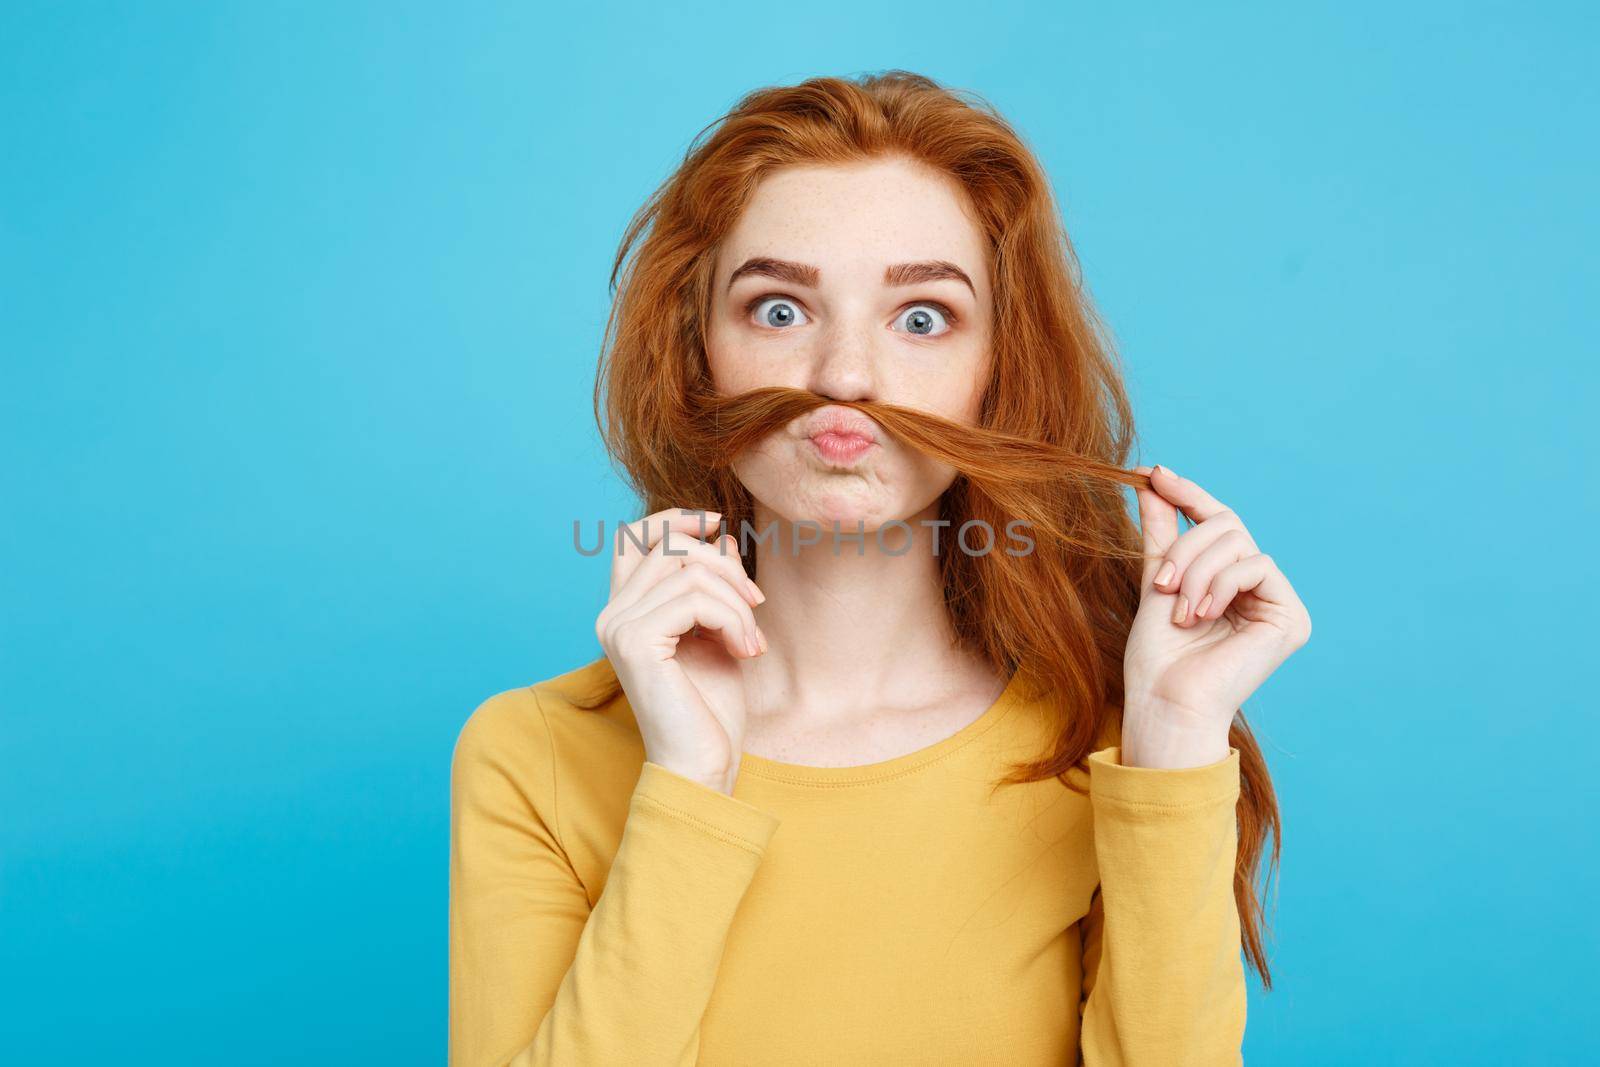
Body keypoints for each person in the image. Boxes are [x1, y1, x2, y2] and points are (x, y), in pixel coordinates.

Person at [449, 70, 1312, 1067]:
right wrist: (687, 784)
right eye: (778, 311)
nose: (844, 378)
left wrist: (1171, 741)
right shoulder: (530, 755)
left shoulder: (1107, 750)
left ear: (999, 369)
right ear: (698, 360)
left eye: (921, 318)